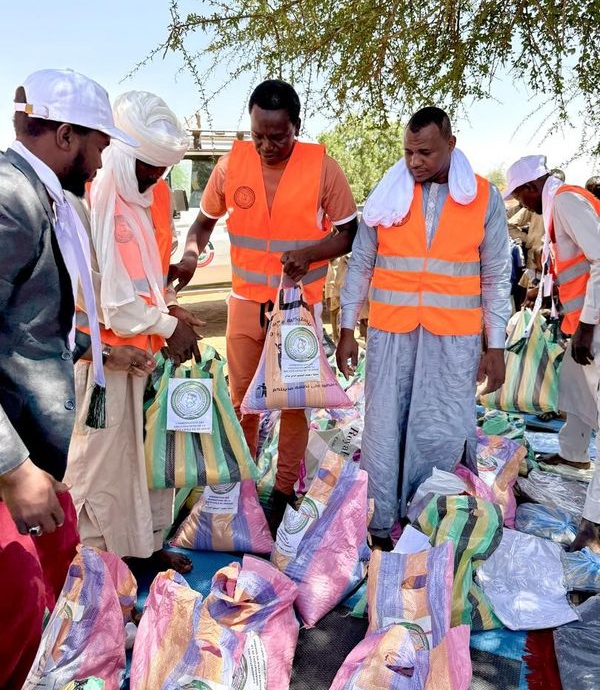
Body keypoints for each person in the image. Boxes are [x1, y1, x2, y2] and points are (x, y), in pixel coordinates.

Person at [0, 69, 149, 688]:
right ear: (64, 134)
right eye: (99, 144)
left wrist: (99, 350)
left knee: (60, 577)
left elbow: (32, 322)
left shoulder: (45, 201)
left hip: (35, 439)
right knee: (16, 608)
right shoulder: (12, 201)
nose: (104, 160)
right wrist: (11, 468)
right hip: (13, 450)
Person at [169, 79, 358, 530]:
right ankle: (244, 485)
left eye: (278, 136)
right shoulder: (231, 165)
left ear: (297, 127)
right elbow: (202, 224)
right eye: (258, 135)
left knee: (294, 404)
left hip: (297, 309)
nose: (267, 145)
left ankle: (284, 489)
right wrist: (191, 257)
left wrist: (310, 254)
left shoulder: (323, 169)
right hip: (244, 307)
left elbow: (349, 232)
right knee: (241, 404)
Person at [336, 106, 511, 550]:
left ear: (451, 145)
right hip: (392, 333)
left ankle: (430, 522)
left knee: (441, 428)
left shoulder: (484, 198)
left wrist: (497, 344)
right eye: (409, 151)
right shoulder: (387, 194)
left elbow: (495, 275)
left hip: (454, 339)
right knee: (383, 425)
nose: (415, 162)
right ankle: (379, 522)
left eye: (426, 152)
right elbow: (360, 263)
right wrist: (345, 327)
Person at [65, 91, 201, 572]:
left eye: (162, 170)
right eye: (147, 166)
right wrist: (167, 325)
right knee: (103, 470)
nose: (154, 177)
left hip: (143, 353)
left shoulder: (151, 193)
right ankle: (97, 572)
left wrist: (172, 312)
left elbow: (146, 277)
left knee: (148, 464)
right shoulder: (102, 192)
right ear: (123, 152)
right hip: (104, 357)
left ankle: (144, 549)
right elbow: (114, 302)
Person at [503, 154, 600, 552]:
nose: (522, 205)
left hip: (595, 324)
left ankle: (594, 523)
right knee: (575, 395)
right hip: (581, 322)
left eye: (519, 197)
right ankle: (574, 454)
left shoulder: (564, 202)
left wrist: (588, 326)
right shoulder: (557, 205)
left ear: (529, 189)